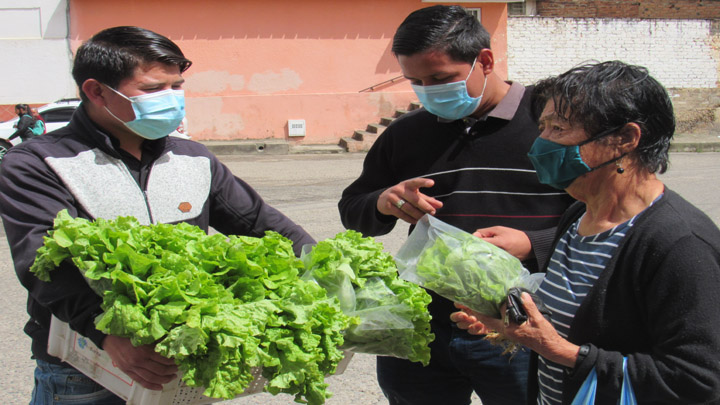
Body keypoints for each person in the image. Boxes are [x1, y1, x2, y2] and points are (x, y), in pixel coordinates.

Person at [0, 26, 316, 405]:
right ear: (96, 91)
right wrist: (108, 337)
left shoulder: (192, 157)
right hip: (86, 371)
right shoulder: (38, 163)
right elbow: (44, 264)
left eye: (176, 86)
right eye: (152, 90)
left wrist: (327, 273)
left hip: (177, 363)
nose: (171, 99)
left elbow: (261, 224)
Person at [338, 5, 574, 405]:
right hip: (425, 328)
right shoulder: (407, 133)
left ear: (484, 60)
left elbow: (608, 218)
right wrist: (384, 202)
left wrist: (536, 242)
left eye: (441, 78)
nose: (429, 91)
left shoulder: (550, 121)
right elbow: (353, 209)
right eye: (417, 82)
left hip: (523, 327)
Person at [451, 61, 720, 404]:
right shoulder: (579, 215)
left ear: (625, 139)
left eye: (558, 129)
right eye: (543, 127)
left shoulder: (680, 244)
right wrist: (506, 325)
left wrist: (558, 349)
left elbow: (699, 381)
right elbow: (572, 323)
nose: (540, 143)